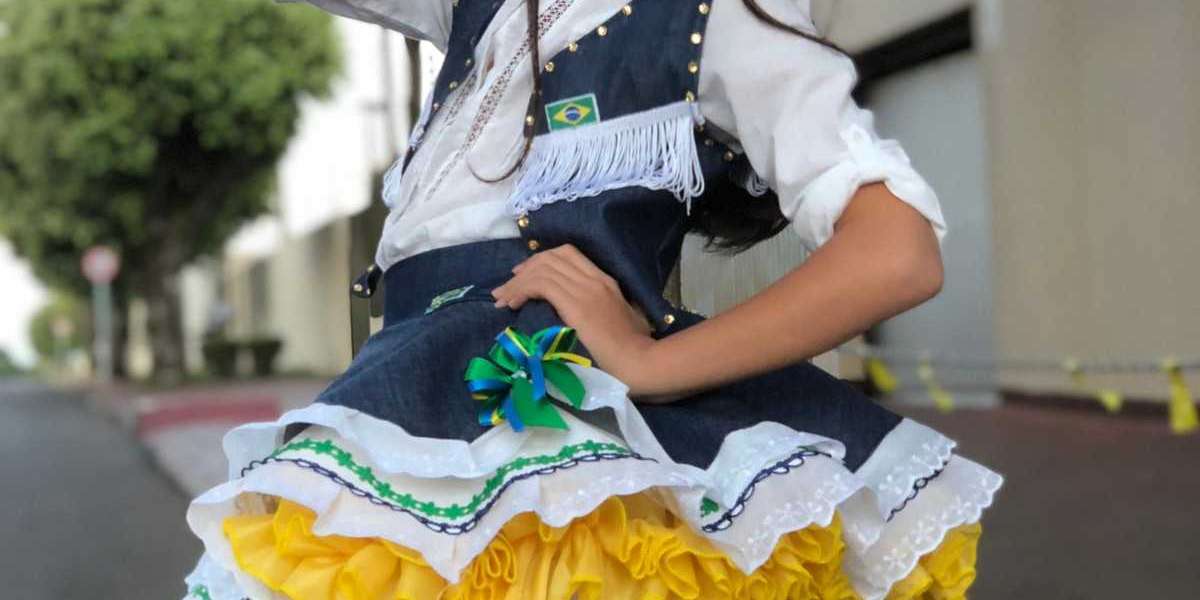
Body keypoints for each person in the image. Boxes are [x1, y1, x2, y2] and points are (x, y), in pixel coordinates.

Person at [183, 0, 1002, 598]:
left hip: (555, 441)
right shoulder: (481, 12)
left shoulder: (715, 16)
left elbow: (896, 252)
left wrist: (655, 362)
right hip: (404, 404)